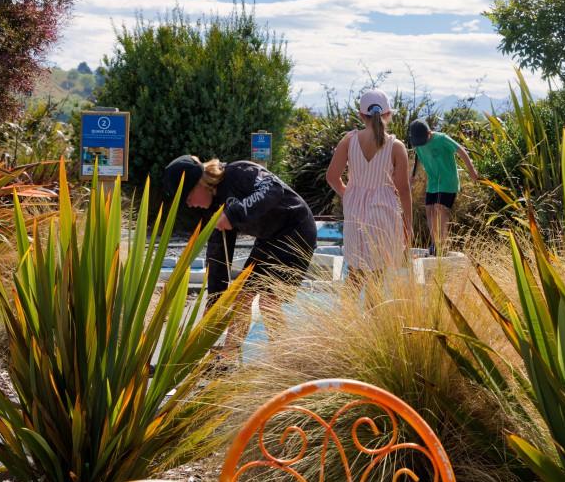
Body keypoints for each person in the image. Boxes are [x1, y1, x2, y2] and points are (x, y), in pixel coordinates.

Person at [163, 155, 316, 358]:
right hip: (269, 238)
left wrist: (234, 214)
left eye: (188, 197)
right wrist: (215, 299)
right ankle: (228, 358)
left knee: (268, 299)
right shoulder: (214, 208)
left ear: (200, 183)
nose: (189, 205)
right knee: (242, 297)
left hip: (296, 230)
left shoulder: (239, 172)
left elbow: (273, 188)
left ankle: (285, 360)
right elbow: (218, 252)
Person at [326, 90, 412, 285]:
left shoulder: (349, 141)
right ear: (388, 114)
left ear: (361, 115)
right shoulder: (396, 146)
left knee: (354, 276)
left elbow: (331, 177)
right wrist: (409, 226)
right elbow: (404, 189)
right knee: (379, 277)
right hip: (384, 211)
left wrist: (348, 194)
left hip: (354, 212)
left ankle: (349, 307)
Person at [408, 119, 478, 255]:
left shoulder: (442, 139)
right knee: (429, 211)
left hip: (447, 182)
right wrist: (412, 177)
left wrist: (472, 171)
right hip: (432, 183)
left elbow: (461, 150)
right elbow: (417, 160)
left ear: (429, 132)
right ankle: (435, 243)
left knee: (440, 210)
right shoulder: (418, 143)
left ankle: (442, 245)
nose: (422, 144)